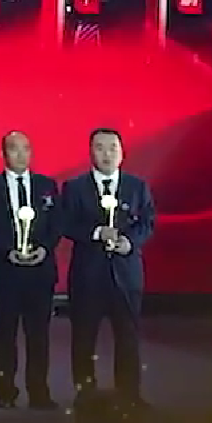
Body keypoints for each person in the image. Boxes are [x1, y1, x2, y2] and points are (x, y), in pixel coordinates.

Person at [61, 128, 154, 405]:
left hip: (126, 275)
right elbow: (66, 223)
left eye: (113, 147)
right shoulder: (75, 187)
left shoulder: (137, 186)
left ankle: (129, 394)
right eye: (100, 148)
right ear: (91, 152)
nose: (107, 154)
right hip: (88, 275)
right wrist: (96, 233)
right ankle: (85, 393)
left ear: (122, 152)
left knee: (128, 336)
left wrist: (129, 242)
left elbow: (147, 222)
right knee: (84, 336)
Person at [0, 130, 60, 409]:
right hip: (5, 271)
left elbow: (56, 224)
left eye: (26, 148)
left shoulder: (47, 186)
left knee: (39, 335)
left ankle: (39, 392)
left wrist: (43, 249)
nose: (21, 154)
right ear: (3, 154)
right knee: (5, 334)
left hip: (40, 271)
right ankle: (6, 392)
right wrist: (7, 251)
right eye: (14, 149)